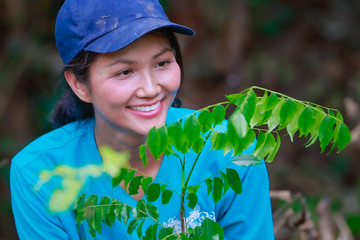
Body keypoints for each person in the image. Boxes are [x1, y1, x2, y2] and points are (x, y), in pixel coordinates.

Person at [10, 0, 274, 239]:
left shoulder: (231, 148)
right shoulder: (39, 174)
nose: (150, 89)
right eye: (125, 72)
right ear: (80, 85)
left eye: (161, 63)